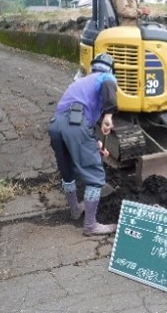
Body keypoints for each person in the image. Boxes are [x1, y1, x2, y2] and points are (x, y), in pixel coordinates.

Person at [48, 53, 118, 236]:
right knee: (95, 177)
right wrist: (108, 116)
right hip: (75, 125)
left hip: (56, 125)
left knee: (67, 171)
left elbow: (77, 121)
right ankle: (90, 226)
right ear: (110, 69)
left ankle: (75, 210)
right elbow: (108, 86)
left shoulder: (81, 82)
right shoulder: (105, 77)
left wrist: (95, 143)